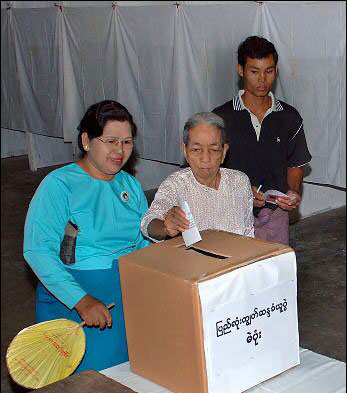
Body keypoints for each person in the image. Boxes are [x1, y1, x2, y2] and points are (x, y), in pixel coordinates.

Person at [24, 100, 151, 372]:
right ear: (86, 140)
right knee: (87, 386)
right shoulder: (59, 185)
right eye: (111, 141)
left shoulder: (130, 185)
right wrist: (80, 300)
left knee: (134, 376)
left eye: (127, 142)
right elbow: (37, 251)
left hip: (125, 293)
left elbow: (143, 242)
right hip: (75, 298)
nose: (120, 151)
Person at [213, 36, 312, 244]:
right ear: (240, 70)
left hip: (275, 216)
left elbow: (295, 164)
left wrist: (292, 190)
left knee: (275, 273)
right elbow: (206, 170)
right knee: (237, 273)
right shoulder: (220, 118)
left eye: (269, 71)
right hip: (231, 215)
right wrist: (241, 191)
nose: (262, 80)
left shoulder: (289, 117)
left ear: (276, 70)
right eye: (254, 71)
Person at [141, 112, 254, 241]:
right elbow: (148, 224)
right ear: (185, 151)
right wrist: (165, 227)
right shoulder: (176, 184)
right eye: (196, 149)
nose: (205, 158)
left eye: (214, 149)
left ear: (224, 152)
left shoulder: (239, 182)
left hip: (238, 258)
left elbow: (249, 234)